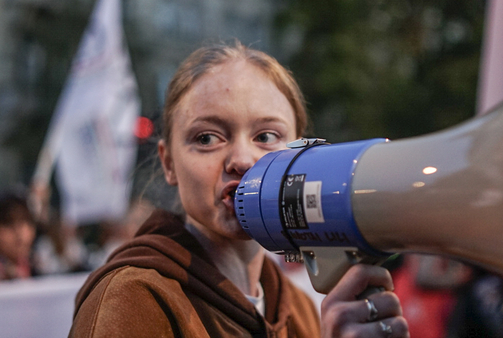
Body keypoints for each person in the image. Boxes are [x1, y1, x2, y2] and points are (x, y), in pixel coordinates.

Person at [71, 42, 408, 337]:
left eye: (266, 136)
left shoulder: (301, 309)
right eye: (207, 138)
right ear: (169, 163)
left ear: (303, 156)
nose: (242, 160)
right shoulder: (132, 299)